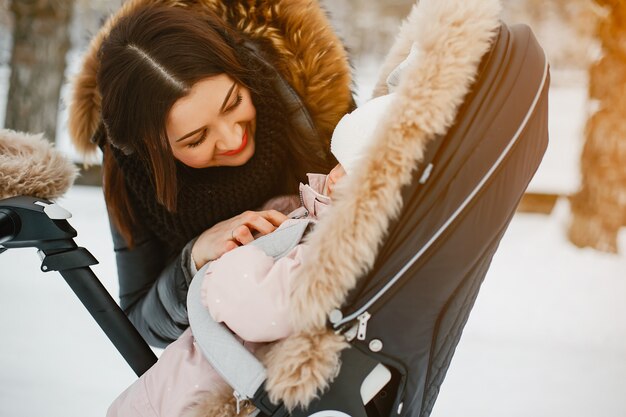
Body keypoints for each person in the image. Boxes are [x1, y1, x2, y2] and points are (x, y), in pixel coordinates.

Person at [67, 0, 354, 347]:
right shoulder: (131, 174)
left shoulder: (307, 97)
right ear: (150, 151)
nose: (233, 138)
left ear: (240, 70)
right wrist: (193, 259)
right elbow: (139, 323)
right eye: (197, 138)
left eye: (233, 102)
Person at [106, 84, 400, 417]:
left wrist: (227, 263)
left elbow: (260, 307)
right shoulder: (328, 227)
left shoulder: (342, 246)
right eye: (195, 138)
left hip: (204, 391)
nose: (332, 177)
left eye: (350, 170)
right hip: (185, 377)